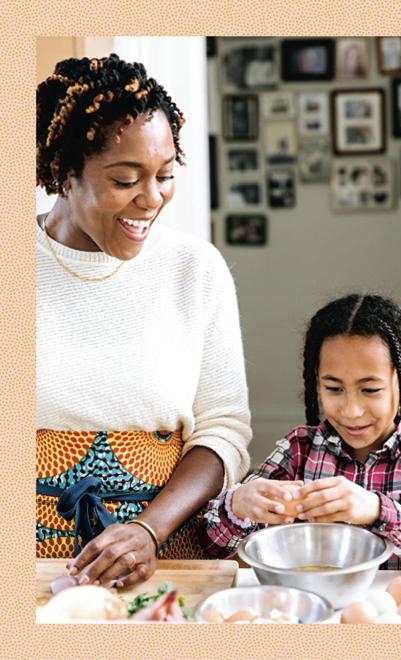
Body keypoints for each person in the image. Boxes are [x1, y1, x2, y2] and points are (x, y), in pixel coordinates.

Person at [36, 53, 252, 588]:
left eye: (165, 175)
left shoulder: (194, 270)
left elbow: (223, 427)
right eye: (126, 178)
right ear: (63, 173)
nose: (151, 199)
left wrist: (146, 530)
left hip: (166, 555)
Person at [199, 294, 401, 571]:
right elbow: (211, 547)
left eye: (370, 390)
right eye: (334, 389)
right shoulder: (299, 450)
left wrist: (377, 510)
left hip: (397, 613)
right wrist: (238, 505)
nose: (351, 410)